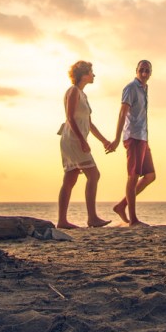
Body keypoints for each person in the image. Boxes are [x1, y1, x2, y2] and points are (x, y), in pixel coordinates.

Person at [57, 60, 113, 229]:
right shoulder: (73, 91)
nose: (93, 75)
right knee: (94, 175)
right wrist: (82, 140)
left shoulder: (83, 95)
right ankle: (92, 218)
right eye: (91, 72)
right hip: (73, 139)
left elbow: (89, 124)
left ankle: (62, 221)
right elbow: (70, 117)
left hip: (75, 139)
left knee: (70, 178)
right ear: (83, 75)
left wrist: (104, 141)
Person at [105, 59, 155, 226]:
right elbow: (122, 113)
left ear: (151, 73)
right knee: (133, 176)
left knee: (150, 175)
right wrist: (116, 139)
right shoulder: (131, 88)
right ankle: (133, 220)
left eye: (147, 70)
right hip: (133, 137)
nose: (144, 73)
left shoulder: (144, 89)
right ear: (136, 70)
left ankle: (121, 206)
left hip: (143, 137)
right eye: (142, 70)